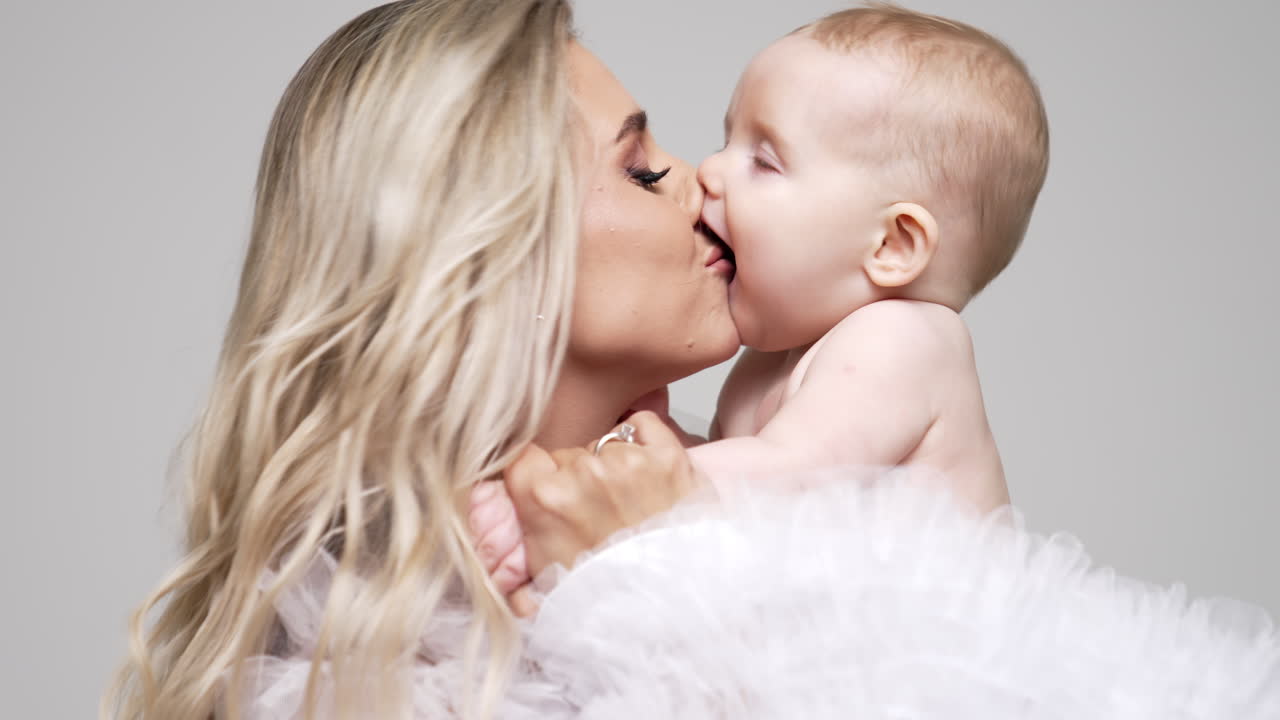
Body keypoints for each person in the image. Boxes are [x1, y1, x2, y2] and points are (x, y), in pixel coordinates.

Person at [104, 0, 735, 717]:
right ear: (495, 262)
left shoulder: (758, 477)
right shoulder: (373, 684)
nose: (705, 178)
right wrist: (658, 602)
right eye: (640, 170)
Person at [472, 3, 1046, 593]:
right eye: (728, 140)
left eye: (764, 162)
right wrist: (664, 442)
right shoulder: (776, 362)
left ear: (893, 244)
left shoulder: (905, 341)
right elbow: (748, 514)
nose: (710, 171)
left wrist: (572, 494)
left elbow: (784, 478)